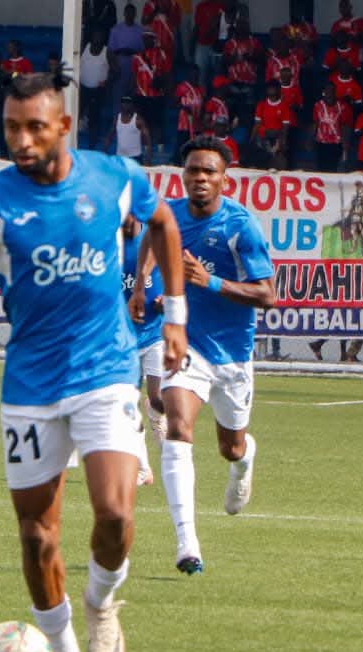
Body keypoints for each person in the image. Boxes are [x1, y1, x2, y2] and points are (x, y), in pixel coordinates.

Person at [0, 68, 187, 652]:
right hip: (31, 383)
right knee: (38, 535)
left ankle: (101, 601)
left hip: (105, 369)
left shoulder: (113, 178)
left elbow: (165, 225)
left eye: (35, 126)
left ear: (63, 124)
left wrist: (175, 318)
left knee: (116, 513)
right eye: (12, 127)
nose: (21, 139)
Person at [142, 135, 274, 576]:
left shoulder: (241, 226)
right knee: (175, 425)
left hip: (233, 356)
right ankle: (187, 544)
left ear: (223, 178)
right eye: (193, 170)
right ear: (183, 175)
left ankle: (245, 459)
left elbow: (267, 296)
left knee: (230, 447)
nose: (200, 178)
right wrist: (147, 288)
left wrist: (209, 282)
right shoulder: (170, 215)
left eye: (209, 171)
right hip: (188, 345)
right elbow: (150, 240)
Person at [120, 213, 166, 487]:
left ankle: (159, 420)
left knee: (158, 399)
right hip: (124, 340)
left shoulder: (153, 240)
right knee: (127, 406)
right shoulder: (109, 242)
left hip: (155, 334)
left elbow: (176, 274)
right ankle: (144, 469)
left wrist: (164, 298)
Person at [79, 28, 112, 149]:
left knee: (94, 117)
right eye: (96, 35)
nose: (98, 38)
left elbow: (117, 70)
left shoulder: (107, 51)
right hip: (82, 88)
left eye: (100, 36)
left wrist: (107, 81)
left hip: (97, 90)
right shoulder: (84, 47)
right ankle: (73, 142)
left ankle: (92, 145)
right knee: (77, 113)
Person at [104, 95, 151, 165]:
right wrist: (104, 152)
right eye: (123, 102)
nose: (125, 105)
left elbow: (147, 140)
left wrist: (148, 158)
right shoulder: (117, 118)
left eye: (128, 103)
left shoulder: (138, 120)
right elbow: (109, 136)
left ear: (132, 105)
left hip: (135, 158)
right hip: (120, 157)